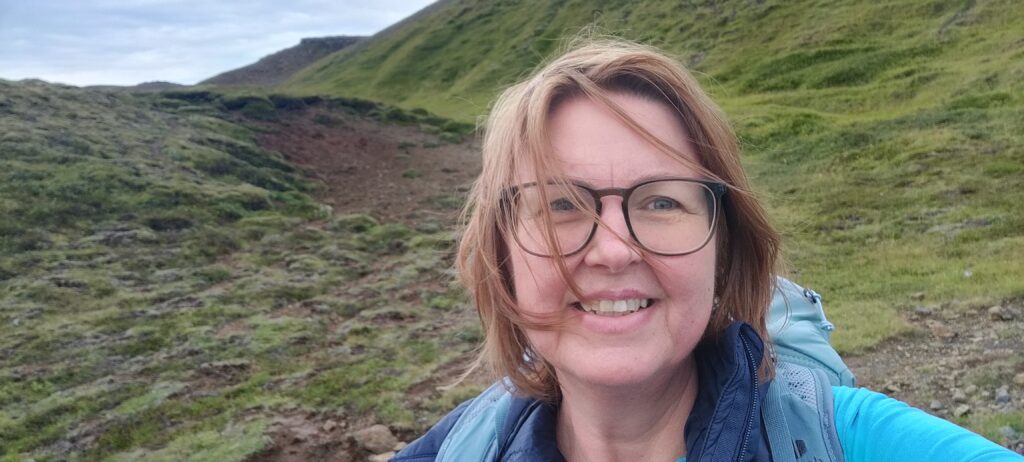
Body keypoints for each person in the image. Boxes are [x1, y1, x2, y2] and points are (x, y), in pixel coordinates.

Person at [392, 38, 1022, 461]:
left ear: (725, 247)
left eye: (662, 202)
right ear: (500, 255)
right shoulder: (453, 450)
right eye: (560, 205)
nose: (613, 250)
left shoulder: (855, 440)